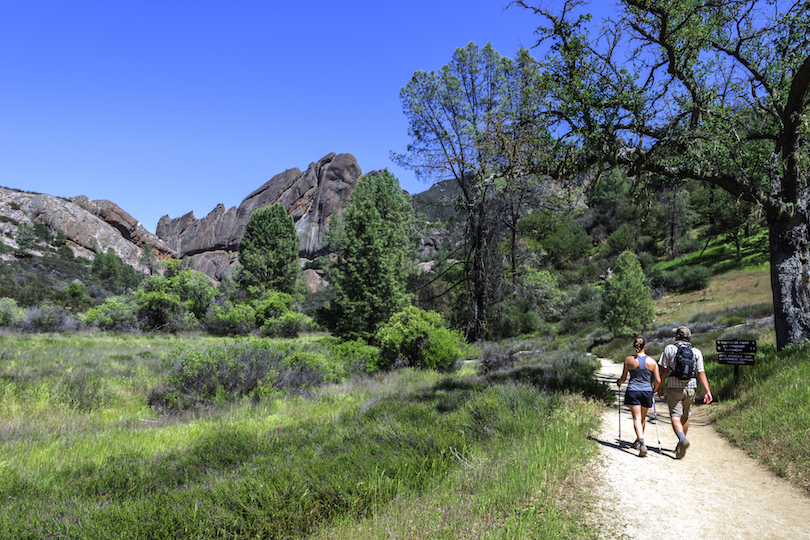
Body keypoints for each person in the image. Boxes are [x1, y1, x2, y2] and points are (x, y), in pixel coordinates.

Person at [656, 325, 713, 459]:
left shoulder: (669, 349)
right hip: (691, 387)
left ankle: (682, 439)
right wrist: (707, 391)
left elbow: (664, 370)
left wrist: (660, 386)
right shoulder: (696, 352)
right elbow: (701, 373)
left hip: (674, 387)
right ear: (689, 337)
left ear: (677, 336)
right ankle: (681, 442)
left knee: (675, 416)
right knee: (685, 415)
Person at [617, 336, 661, 457]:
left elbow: (623, 378)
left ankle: (641, 442)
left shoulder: (628, 360)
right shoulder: (652, 362)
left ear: (634, 346)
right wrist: (654, 390)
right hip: (646, 391)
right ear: (645, 346)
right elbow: (658, 380)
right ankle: (639, 440)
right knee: (642, 418)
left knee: (636, 417)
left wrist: (619, 383)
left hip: (633, 391)